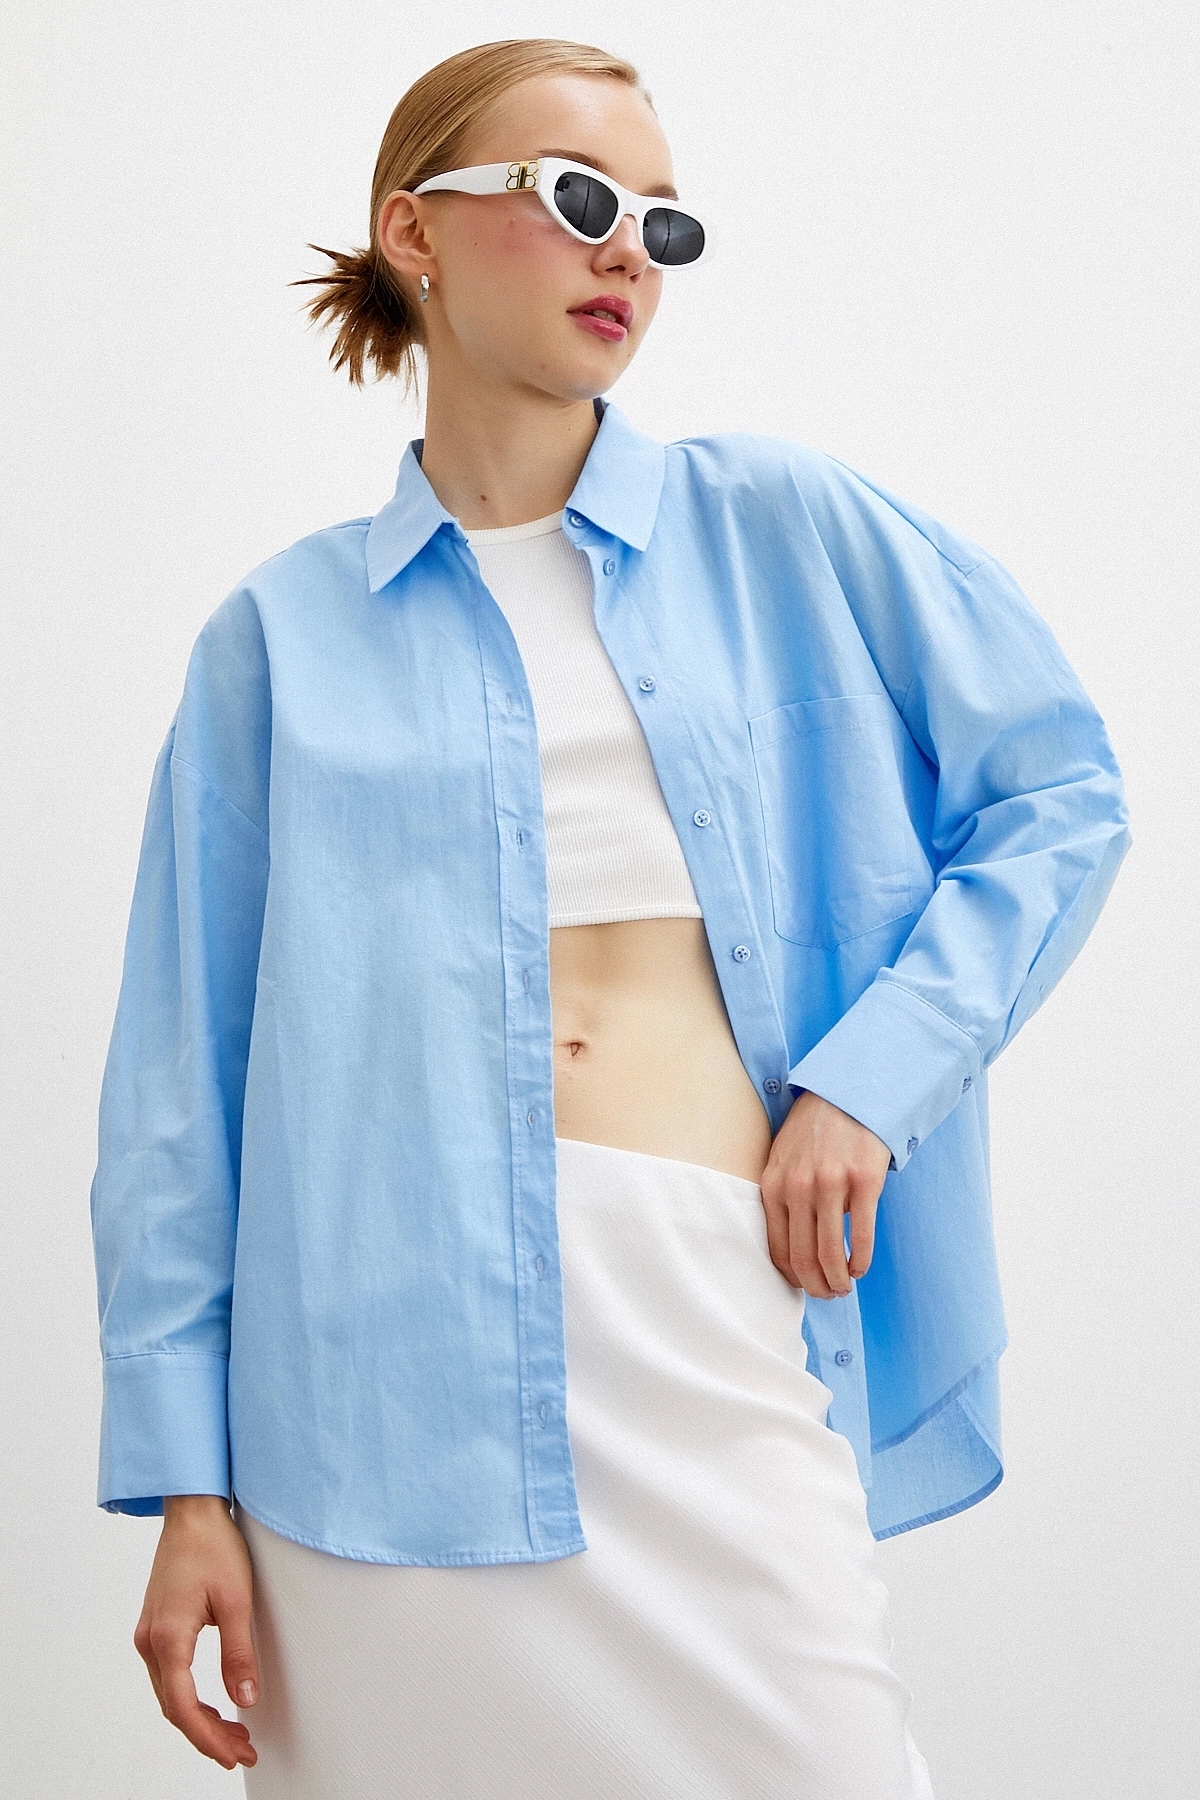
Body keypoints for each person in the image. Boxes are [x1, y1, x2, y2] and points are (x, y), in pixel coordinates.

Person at [88, 35, 1131, 1800]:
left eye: (662, 218)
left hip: (705, 1307)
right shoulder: (276, 643)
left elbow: (1061, 794)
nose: (629, 249)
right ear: (414, 231)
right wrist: (191, 1486)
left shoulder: (786, 528)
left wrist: (874, 1081)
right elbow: (181, 1095)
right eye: (579, 199)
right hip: (368, 1393)